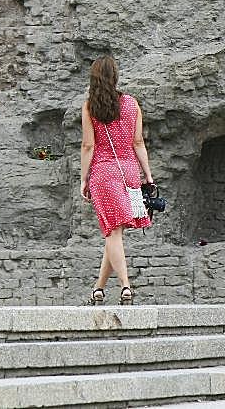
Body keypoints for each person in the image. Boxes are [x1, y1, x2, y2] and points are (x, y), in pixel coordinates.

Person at [80, 55, 154, 305]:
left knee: (112, 232)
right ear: (115, 76)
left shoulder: (90, 107)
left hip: (103, 173)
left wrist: (84, 178)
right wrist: (148, 174)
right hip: (129, 171)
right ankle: (99, 289)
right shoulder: (132, 104)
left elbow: (89, 145)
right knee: (115, 232)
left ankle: (125, 286)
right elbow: (138, 142)